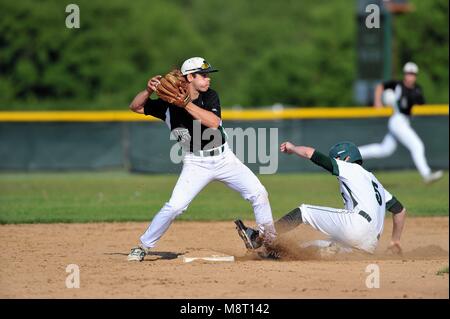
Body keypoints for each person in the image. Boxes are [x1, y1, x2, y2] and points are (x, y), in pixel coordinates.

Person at [127, 57, 276, 261]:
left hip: (224, 159)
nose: (208, 79)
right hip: (196, 162)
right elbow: (135, 107)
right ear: (190, 77)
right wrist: (148, 91)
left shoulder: (210, 97)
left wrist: (186, 104)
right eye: (203, 75)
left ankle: (269, 244)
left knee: (259, 193)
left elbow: (213, 122)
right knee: (175, 206)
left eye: (208, 75)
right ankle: (143, 246)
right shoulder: (167, 105)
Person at [235, 141, 406, 257]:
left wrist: (292, 148)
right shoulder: (374, 181)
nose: (334, 162)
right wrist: (395, 240)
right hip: (369, 245)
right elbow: (400, 210)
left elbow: (311, 153)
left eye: (336, 159)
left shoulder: (349, 168)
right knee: (313, 247)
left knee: (304, 211)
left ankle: (259, 238)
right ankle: (276, 254)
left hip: (356, 225)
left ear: (346, 159)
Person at [358, 62, 443, 184]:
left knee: (385, 149)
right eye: (408, 73)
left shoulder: (417, 89)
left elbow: (422, 105)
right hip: (397, 120)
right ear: (405, 74)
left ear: (415, 76)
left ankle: (356, 152)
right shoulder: (397, 85)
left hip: (405, 121)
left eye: (413, 74)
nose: (410, 76)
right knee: (417, 145)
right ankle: (426, 174)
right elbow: (380, 87)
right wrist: (378, 101)